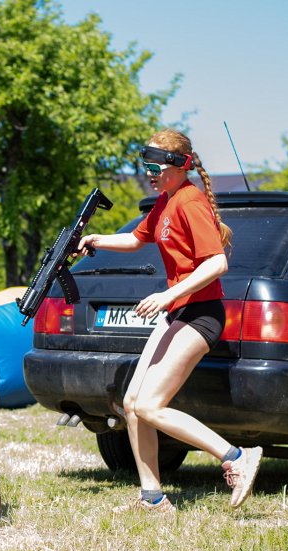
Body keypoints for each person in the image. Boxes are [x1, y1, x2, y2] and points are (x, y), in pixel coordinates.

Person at [78, 128, 262, 513]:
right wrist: (96, 239)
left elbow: (217, 262)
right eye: (145, 164)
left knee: (149, 405)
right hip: (179, 312)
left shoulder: (190, 201)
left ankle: (235, 456)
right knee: (132, 403)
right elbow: (135, 239)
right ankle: (153, 498)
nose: (149, 171)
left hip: (200, 315)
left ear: (180, 165)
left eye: (155, 165)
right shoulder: (166, 201)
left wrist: (168, 295)